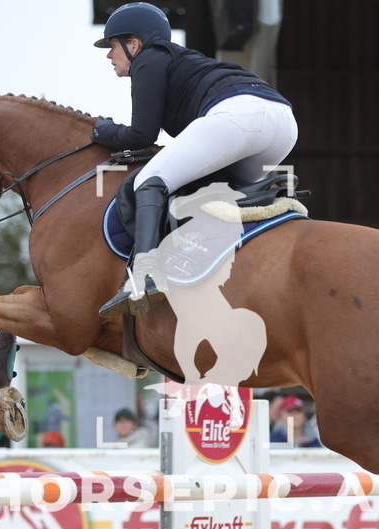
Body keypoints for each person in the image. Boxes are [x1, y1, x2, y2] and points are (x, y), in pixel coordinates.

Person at [91, 2, 298, 317]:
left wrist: (101, 131)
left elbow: (141, 135)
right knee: (209, 193)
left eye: (112, 46)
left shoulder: (148, 59)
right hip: (283, 123)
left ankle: (145, 274)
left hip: (239, 115)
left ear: (133, 44)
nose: (108, 55)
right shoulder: (176, 60)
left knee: (149, 181)